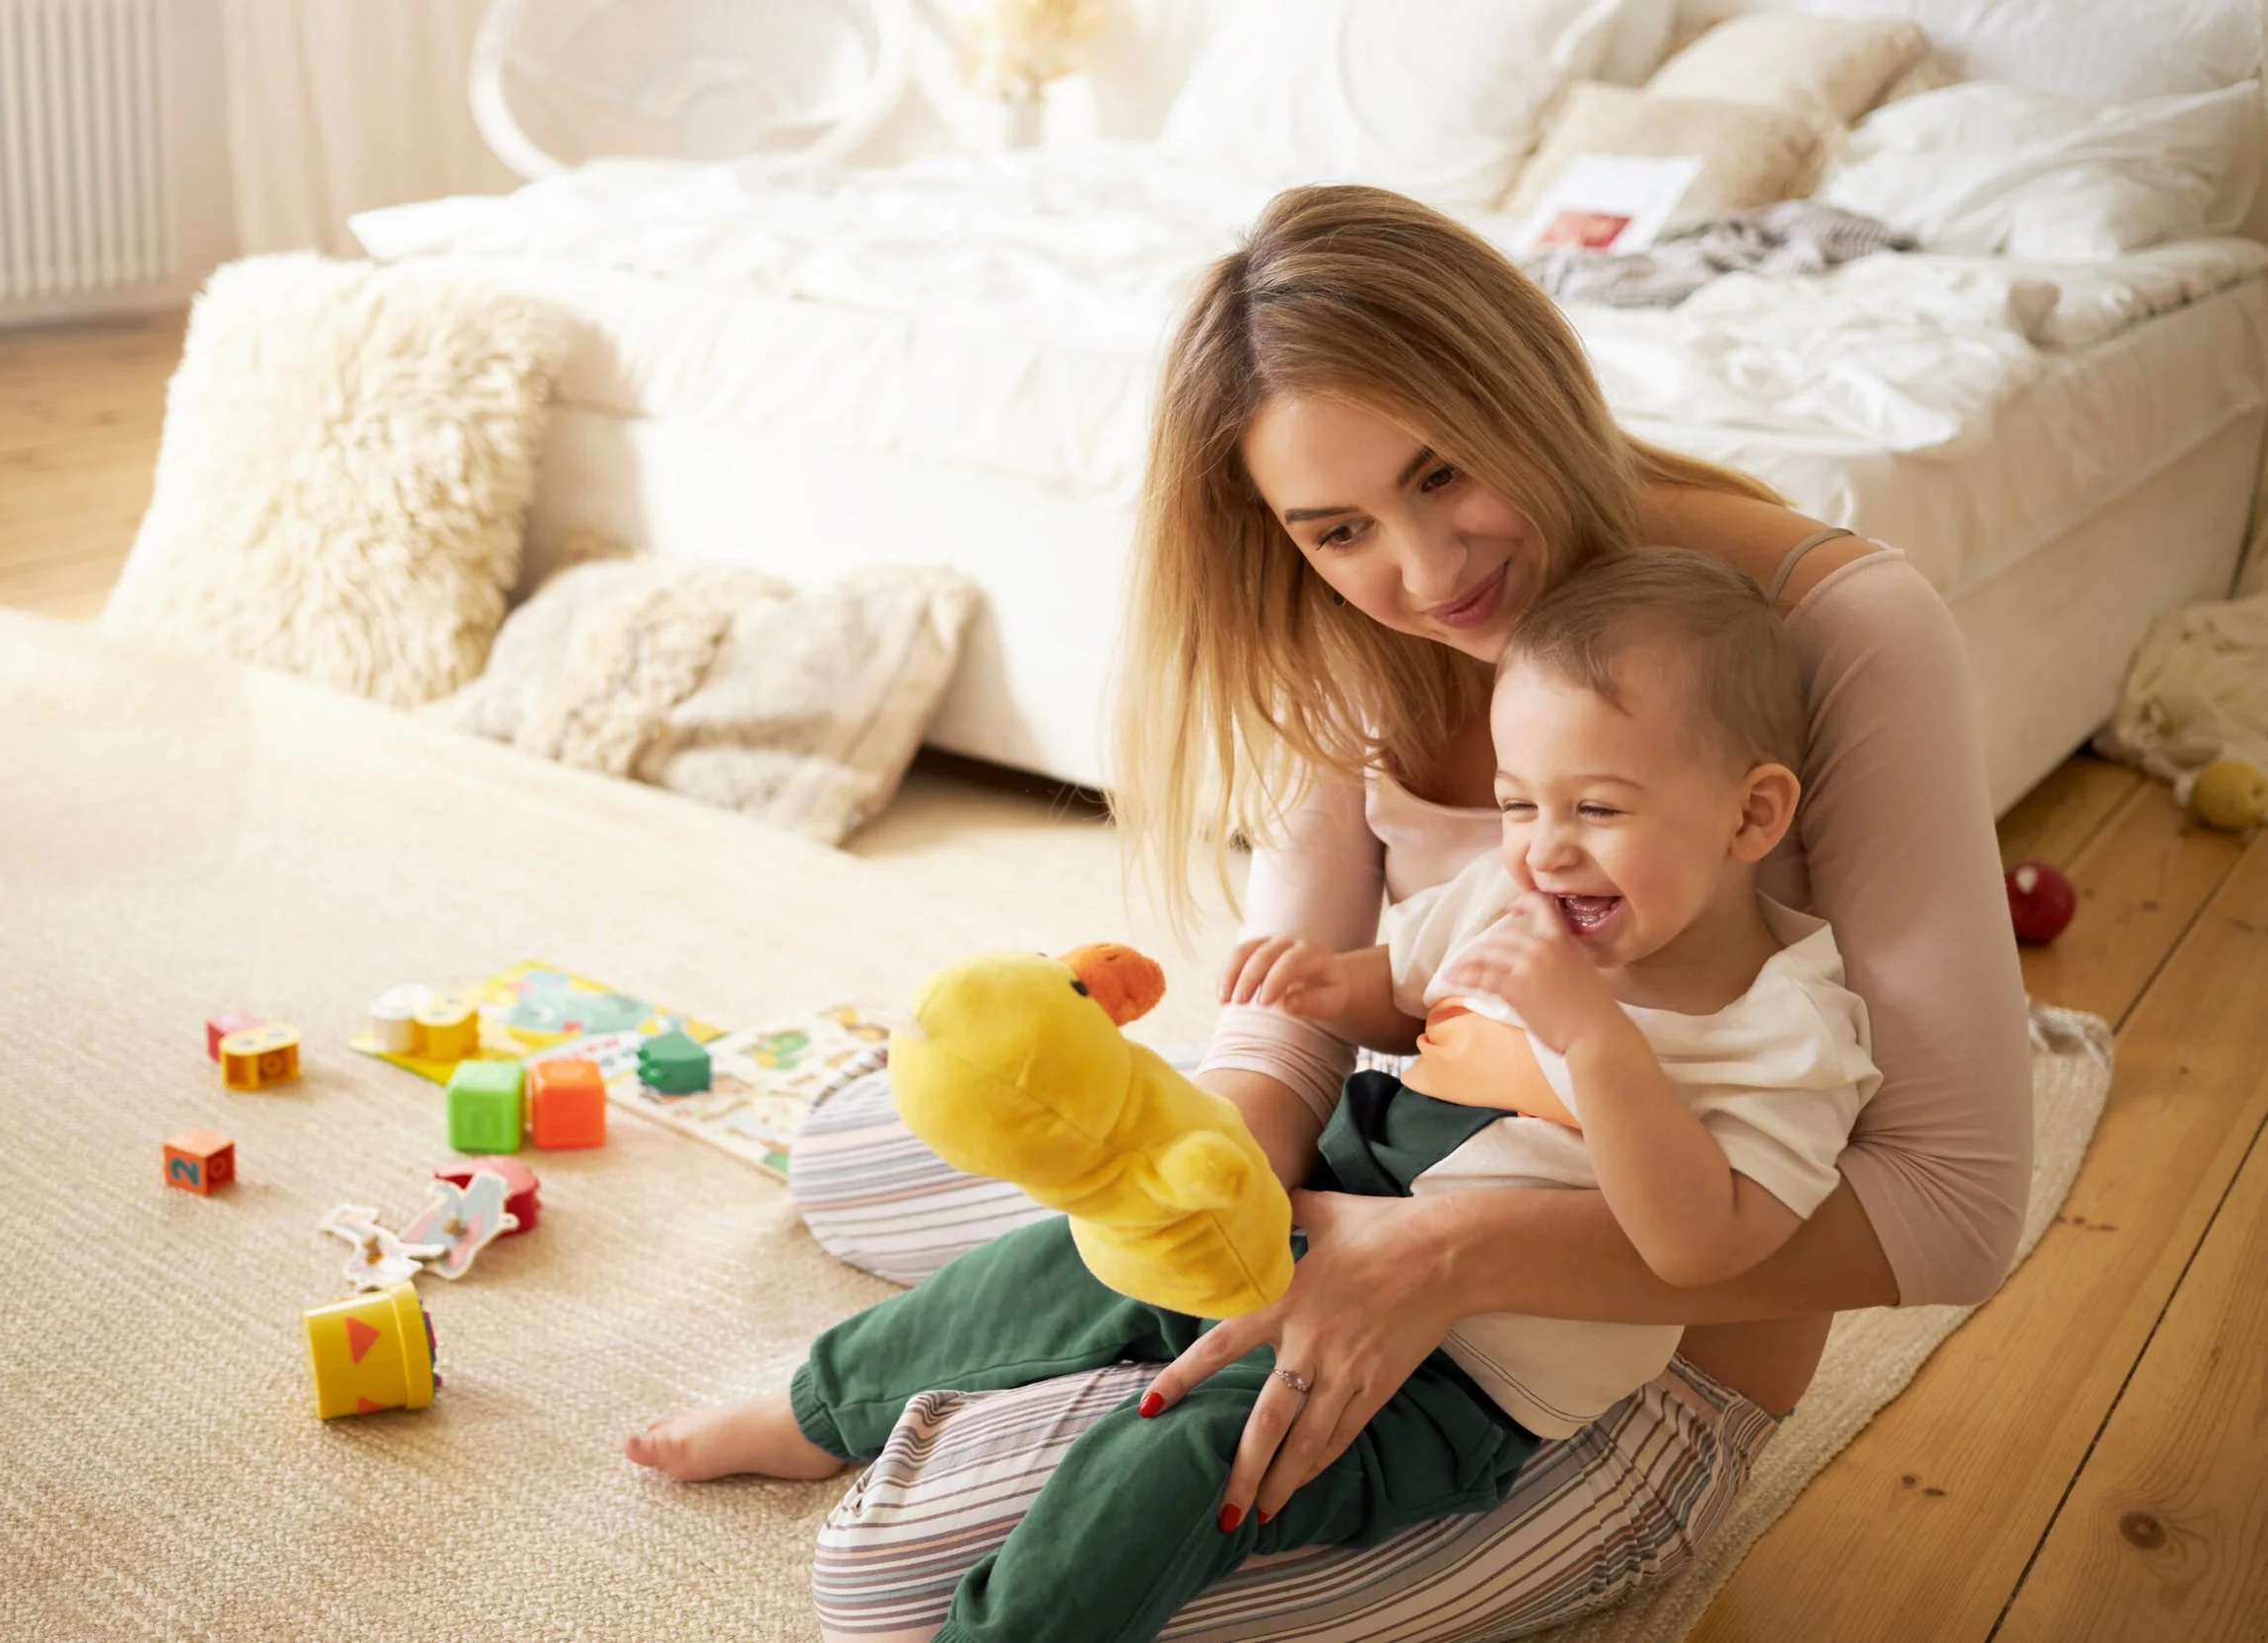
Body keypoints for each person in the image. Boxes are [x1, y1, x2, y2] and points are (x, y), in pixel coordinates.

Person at [780, 182, 2032, 1642]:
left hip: (1597, 1373)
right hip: (1377, 1177)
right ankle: (1127, 1357)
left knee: (882, 1582)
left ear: (1527, 385)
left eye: (1447, 473)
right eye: (1339, 526)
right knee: (851, 1153)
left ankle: (1121, 1396)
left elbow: (1957, 1213)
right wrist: (1232, 1160)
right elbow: (1294, 1018)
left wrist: (1442, 1257)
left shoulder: (1829, 630)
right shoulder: (1354, 618)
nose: (1429, 574)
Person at [629, 551, 1884, 1643]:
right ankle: (817, 1406)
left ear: (1750, 813)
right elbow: (1409, 992)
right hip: (1302, 1214)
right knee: (1064, 1260)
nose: (1545, 848)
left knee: (1184, 1460)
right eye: (1518, 804)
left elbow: (1703, 1244)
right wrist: (1331, 986)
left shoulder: (1785, 1025)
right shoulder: (1515, 897)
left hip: (1459, 1379)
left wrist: (1593, 1038)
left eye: (1597, 809)